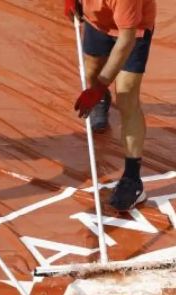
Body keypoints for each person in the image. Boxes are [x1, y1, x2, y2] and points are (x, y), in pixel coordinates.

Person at [65, 0, 156, 211]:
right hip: (97, 23)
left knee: (126, 96)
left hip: (134, 30)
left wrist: (97, 88)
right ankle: (102, 98)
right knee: (91, 73)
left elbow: (126, 41)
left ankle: (133, 180)